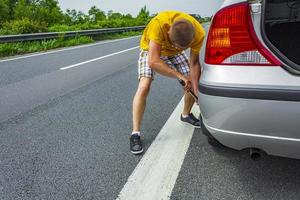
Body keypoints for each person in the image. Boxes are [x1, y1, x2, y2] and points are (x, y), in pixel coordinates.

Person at [130, 11, 206, 155]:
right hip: (152, 51)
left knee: (191, 80)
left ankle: (185, 115)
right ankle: (135, 133)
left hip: (173, 55)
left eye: (182, 47)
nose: (178, 48)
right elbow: (153, 61)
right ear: (168, 31)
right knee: (144, 85)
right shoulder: (159, 24)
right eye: (175, 44)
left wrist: (196, 91)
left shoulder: (199, 33)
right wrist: (179, 76)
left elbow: (194, 63)